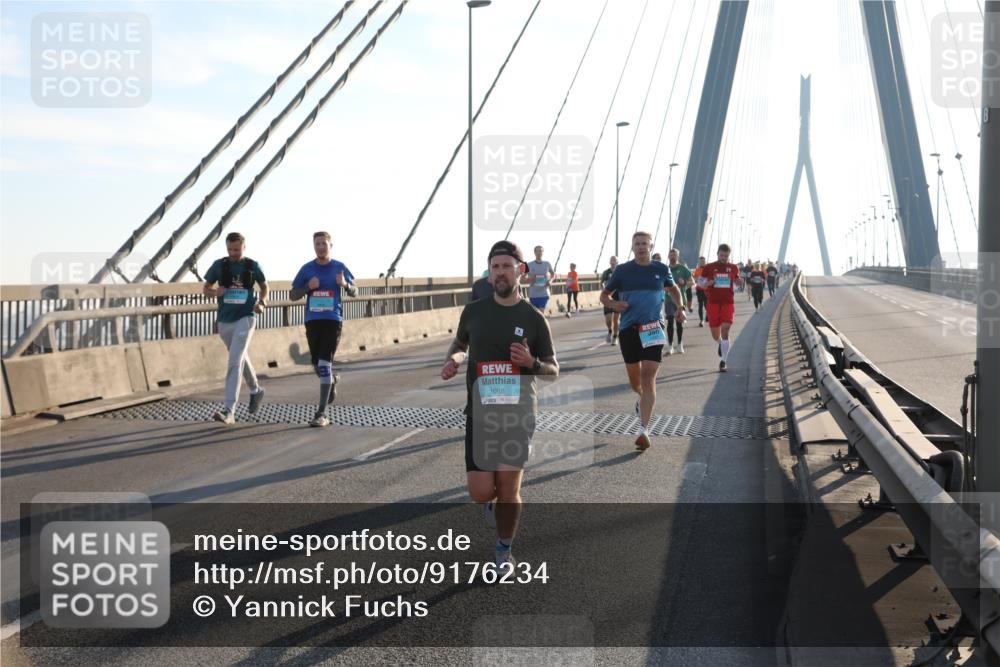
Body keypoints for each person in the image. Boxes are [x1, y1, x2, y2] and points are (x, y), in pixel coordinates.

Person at [440, 240, 558, 571]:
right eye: (495, 267)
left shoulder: (533, 318)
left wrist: (531, 362)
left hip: (518, 415)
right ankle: (491, 507)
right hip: (480, 414)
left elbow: (552, 369)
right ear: (489, 274)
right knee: (481, 492)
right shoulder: (474, 311)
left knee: (508, 489)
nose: (501, 272)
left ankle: (504, 550)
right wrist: (454, 358)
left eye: (507, 266)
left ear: (520, 271)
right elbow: (460, 343)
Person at [601, 232, 686, 451]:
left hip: (652, 329)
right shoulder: (622, 271)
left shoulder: (660, 269)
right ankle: (643, 401)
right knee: (635, 382)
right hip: (629, 329)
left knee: (648, 379)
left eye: (644, 244)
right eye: (637, 244)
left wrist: (680, 307)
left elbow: (674, 289)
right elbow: (604, 296)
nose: (641, 247)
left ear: (651, 246)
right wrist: (613, 305)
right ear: (632, 247)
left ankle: (643, 429)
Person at [290, 231, 358, 427]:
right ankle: (333, 381)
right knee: (317, 365)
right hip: (313, 320)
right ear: (314, 246)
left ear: (331, 245)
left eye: (324, 244)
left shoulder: (339, 267)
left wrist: (344, 284)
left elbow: (355, 291)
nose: (320, 247)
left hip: (332, 320)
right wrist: (307, 288)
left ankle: (321, 413)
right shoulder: (306, 269)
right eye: (317, 244)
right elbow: (293, 295)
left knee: (323, 363)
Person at [202, 232, 267, 424]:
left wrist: (262, 303)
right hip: (224, 320)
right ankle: (256, 390)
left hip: (246, 318)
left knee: (234, 362)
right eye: (230, 249)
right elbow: (206, 288)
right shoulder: (219, 265)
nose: (233, 253)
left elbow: (265, 286)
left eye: (236, 249)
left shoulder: (252, 266)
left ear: (244, 247)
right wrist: (215, 292)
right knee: (240, 358)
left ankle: (229, 410)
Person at [700, 243, 742, 373]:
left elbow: (737, 280)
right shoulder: (709, 267)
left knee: (725, 330)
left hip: (728, 303)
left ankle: (723, 361)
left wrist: (739, 282)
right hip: (712, 303)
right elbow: (700, 283)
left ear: (729, 255)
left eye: (726, 256)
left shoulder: (733, 268)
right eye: (721, 255)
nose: (724, 258)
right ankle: (720, 343)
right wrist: (707, 284)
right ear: (717, 254)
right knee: (715, 334)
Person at [665, 248, 691, 355]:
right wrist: (664, 288)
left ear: (678, 256)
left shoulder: (683, 269)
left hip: (680, 300)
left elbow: (692, 282)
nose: (672, 257)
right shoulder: (665, 269)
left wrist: (684, 282)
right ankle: (670, 346)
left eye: (674, 255)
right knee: (670, 322)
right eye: (671, 255)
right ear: (668, 256)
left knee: (679, 323)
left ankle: (680, 344)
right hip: (668, 300)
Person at [523, 246, 554, 312]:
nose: (539, 253)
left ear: (543, 252)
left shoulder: (547, 264)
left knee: (541, 313)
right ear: (534, 252)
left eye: (541, 251)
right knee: (535, 314)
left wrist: (550, 281)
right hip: (533, 294)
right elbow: (522, 278)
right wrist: (530, 279)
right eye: (537, 251)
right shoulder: (528, 264)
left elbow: (553, 274)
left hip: (544, 293)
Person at [600, 256, 621, 345]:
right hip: (608, 297)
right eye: (611, 260)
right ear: (609, 262)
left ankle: (615, 337)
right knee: (608, 320)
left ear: (617, 262)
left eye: (614, 261)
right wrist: (604, 290)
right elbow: (601, 283)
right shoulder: (606, 272)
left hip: (617, 298)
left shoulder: (621, 272)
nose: (613, 262)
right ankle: (610, 330)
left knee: (616, 320)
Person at [693, 256, 708, 327]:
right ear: (699, 262)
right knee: (700, 305)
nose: (702, 262)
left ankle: (708, 315)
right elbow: (695, 279)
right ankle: (701, 320)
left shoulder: (708, 269)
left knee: (706, 305)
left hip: (707, 290)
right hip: (699, 290)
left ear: (705, 262)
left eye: (703, 261)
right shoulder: (697, 270)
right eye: (701, 261)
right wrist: (696, 279)